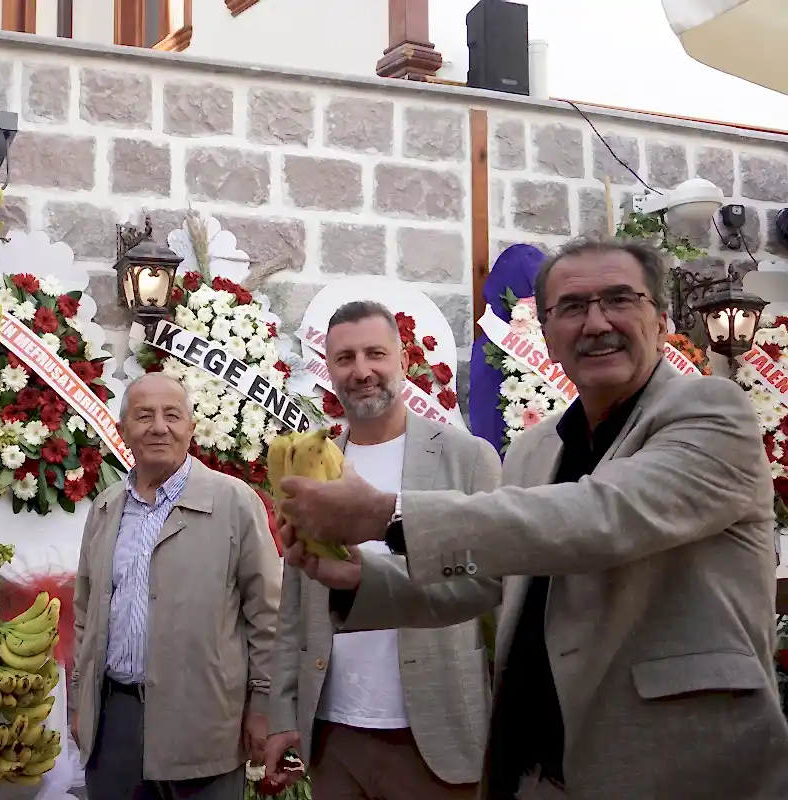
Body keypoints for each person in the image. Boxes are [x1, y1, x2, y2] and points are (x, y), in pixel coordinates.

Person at [278, 238, 788, 800]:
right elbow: (485, 582)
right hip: (535, 768)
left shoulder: (712, 411)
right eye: (571, 307)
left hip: (673, 763)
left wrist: (388, 515)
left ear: (662, 320)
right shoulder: (533, 450)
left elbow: (600, 516)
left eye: (620, 299)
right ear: (546, 334)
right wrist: (359, 580)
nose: (596, 323)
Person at [263, 301, 500, 799]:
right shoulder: (310, 465)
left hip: (436, 731)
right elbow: (294, 602)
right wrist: (283, 713)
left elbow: (498, 595)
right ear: (328, 370)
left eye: (375, 354)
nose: (361, 370)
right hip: (333, 734)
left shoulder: (468, 458)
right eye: (345, 358)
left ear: (403, 360)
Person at [71, 372, 282, 800]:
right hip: (115, 722)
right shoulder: (106, 508)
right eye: (143, 415)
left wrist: (263, 706)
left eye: (172, 415)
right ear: (122, 429)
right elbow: (84, 613)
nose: (158, 427)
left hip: (205, 723)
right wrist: (80, 703)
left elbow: (268, 615)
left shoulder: (234, 503)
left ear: (191, 427)